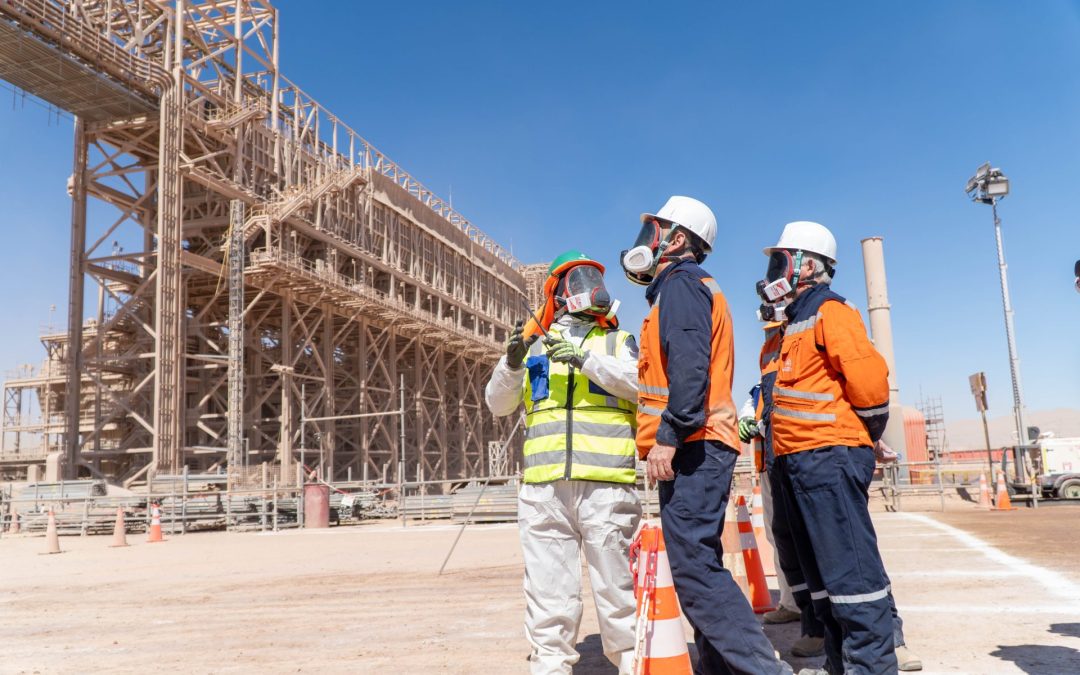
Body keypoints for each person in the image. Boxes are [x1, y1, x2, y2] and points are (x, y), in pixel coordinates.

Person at [621, 196, 792, 675]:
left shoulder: (682, 285)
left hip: (694, 445)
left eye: (652, 234)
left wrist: (669, 436)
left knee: (695, 573)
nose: (643, 246)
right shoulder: (684, 288)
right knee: (701, 565)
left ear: (675, 240)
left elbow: (690, 372)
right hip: (700, 444)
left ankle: (765, 671)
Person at [759, 220, 910, 675]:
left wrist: (865, 435)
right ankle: (841, 663)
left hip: (828, 458)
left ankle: (873, 665)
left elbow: (869, 385)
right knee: (825, 583)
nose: (770, 273)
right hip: (798, 463)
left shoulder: (831, 312)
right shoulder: (792, 325)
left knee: (852, 578)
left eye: (778, 261)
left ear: (807, 265)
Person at [485, 249, 641, 675]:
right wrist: (511, 363)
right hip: (543, 487)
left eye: (591, 277)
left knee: (618, 587)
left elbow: (640, 386)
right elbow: (498, 404)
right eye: (576, 279)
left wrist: (585, 360)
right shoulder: (535, 349)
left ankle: (632, 664)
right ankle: (551, 666)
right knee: (549, 590)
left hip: (605, 485)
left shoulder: (617, 342)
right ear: (556, 292)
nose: (588, 286)